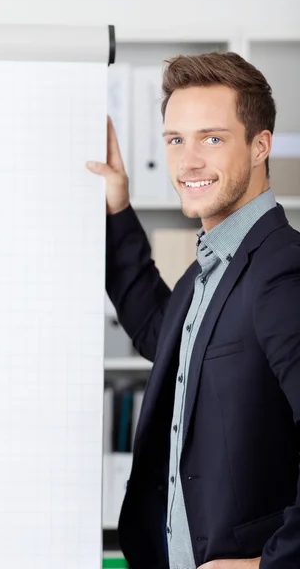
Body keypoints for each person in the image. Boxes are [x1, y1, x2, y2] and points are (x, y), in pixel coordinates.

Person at [86, 51, 300, 569]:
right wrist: (117, 205)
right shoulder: (212, 264)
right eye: (176, 140)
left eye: (212, 138)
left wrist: (272, 565)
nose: (188, 162)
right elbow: (158, 333)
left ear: (259, 146)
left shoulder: (282, 269)